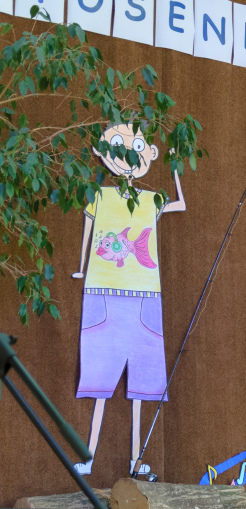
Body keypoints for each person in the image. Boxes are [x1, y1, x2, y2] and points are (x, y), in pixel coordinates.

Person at [70, 121, 187, 479]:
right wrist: (81, 268)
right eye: (117, 144)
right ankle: (89, 458)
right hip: (102, 292)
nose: (127, 155)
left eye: (137, 147)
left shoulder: (151, 200)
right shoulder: (100, 195)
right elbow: (89, 230)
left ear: (150, 154)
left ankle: (135, 460)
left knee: (140, 387)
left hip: (144, 294)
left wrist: (175, 165)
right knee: (100, 381)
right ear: (101, 150)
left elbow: (181, 203)